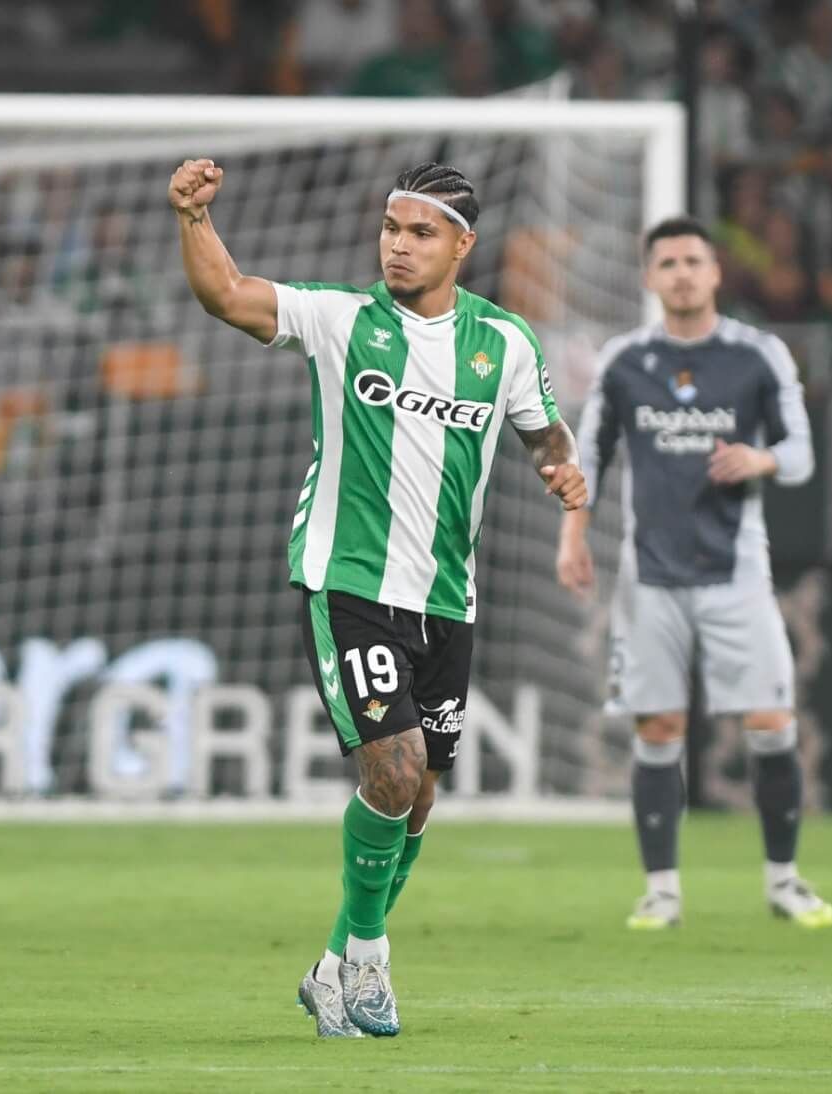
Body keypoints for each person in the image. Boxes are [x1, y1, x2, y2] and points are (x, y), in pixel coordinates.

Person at [170, 158, 586, 1038]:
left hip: (448, 597)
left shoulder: (505, 342)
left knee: (420, 796)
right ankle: (369, 956)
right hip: (350, 580)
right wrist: (193, 219)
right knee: (392, 771)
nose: (398, 245)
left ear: (462, 245)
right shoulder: (340, 318)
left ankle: (331, 969)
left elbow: (542, 430)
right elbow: (229, 296)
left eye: (420, 232)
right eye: (391, 228)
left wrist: (563, 467)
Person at [557, 216, 832, 931]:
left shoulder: (757, 355)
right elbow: (590, 456)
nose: (681, 273)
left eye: (693, 261)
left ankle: (784, 881)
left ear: (715, 273)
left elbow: (801, 455)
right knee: (658, 728)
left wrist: (760, 458)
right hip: (649, 577)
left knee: (771, 721)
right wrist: (572, 536)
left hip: (737, 572)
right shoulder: (625, 361)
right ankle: (662, 892)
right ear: (649, 278)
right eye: (669, 263)